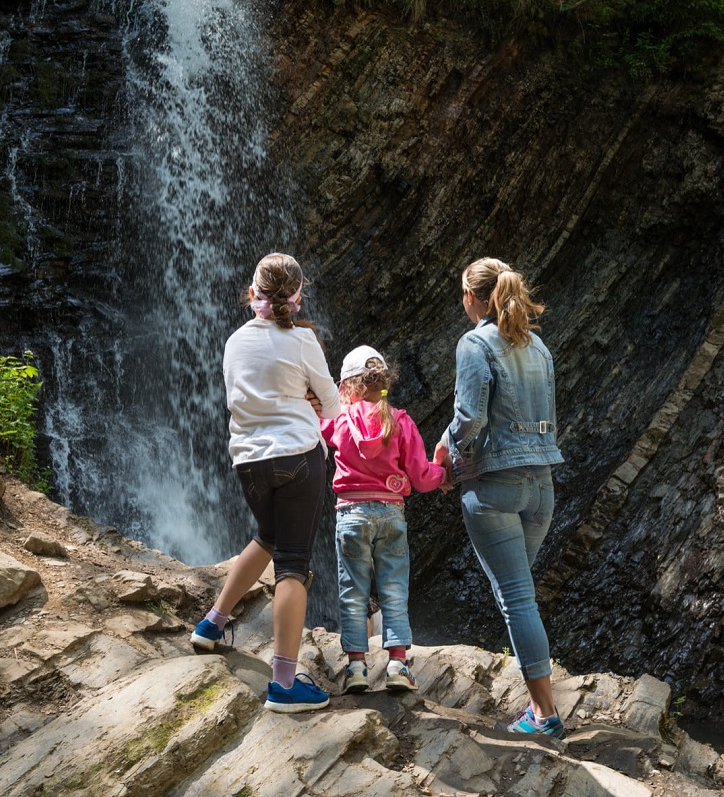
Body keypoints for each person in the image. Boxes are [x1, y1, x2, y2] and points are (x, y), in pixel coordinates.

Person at [191, 252, 342, 714]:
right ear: (298, 297)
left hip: (248, 463)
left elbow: (241, 398)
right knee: (293, 564)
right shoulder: (302, 341)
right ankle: (283, 683)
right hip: (297, 458)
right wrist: (310, 398)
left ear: (252, 292)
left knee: (268, 537)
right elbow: (334, 405)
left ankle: (212, 624)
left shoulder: (234, 341)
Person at [433, 257, 566, 737]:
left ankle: (545, 715)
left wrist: (447, 451)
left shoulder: (473, 343)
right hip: (541, 488)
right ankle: (541, 705)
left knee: (516, 599)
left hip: (495, 487)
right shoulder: (539, 348)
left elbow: (471, 417)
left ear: (472, 298)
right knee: (520, 595)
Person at [321, 346, 448, 695]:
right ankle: (397, 665)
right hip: (391, 514)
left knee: (352, 593)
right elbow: (422, 477)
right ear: (384, 383)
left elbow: (314, 426)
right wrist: (443, 473)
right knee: (393, 590)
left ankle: (357, 668)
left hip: (350, 514)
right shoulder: (400, 420)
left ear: (347, 385)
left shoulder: (339, 420)